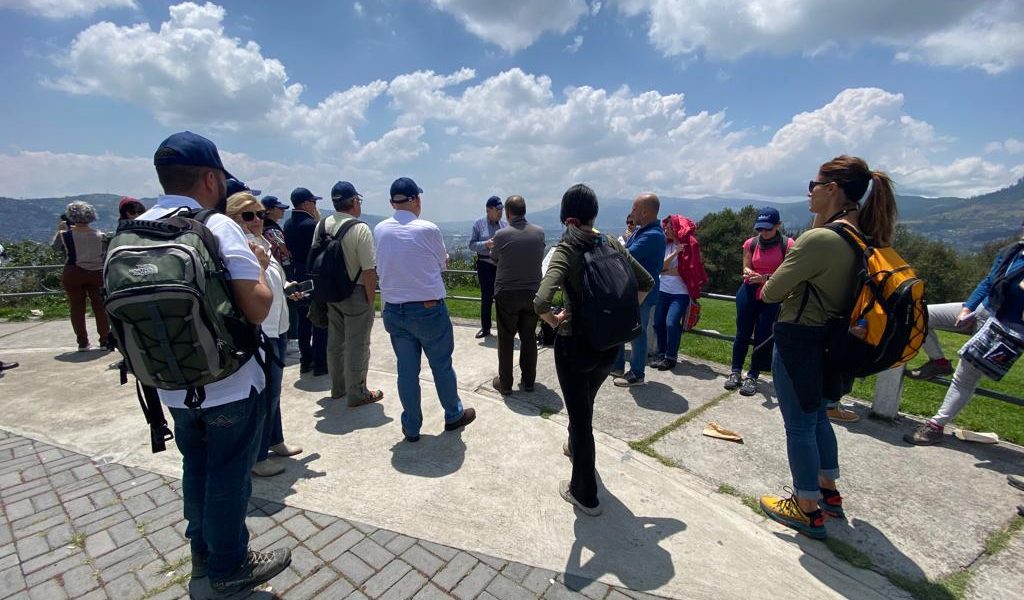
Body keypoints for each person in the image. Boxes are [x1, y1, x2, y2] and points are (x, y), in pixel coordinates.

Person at [142, 131, 290, 593]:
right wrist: (261, 264)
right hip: (228, 381)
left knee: (197, 467)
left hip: (168, 381)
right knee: (228, 473)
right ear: (210, 178)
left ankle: (202, 556)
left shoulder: (135, 227)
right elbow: (258, 308)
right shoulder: (217, 226)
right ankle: (230, 566)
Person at [758, 155, 898, 539]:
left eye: (813, 185)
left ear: (832, 189)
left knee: (799, 425)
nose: (809, 192)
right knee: (819, 415)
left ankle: (805, 508)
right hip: (835, 343)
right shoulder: (863, 236)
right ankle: (828, 492)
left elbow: (771, 292)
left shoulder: (819, 239)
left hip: (800, 339)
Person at [536, 184, 654, 516]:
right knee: (584, 402)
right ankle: (575, 445)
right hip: (609, 346)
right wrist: (621, 316)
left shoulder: (566, 250)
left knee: (580, 414)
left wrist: (555, 321)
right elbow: (647, 282)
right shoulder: (613, 242)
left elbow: (541, 301)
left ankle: (584, 493)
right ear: (594, 215)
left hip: (575, 346)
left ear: (566, 217)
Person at [375, 177, 477, 442]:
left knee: (406, 370)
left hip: (394, 310)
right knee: (441, 365)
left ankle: (411, 426)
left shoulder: (380, 229)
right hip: (428, 310)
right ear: (416, 200)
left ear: (391, 202)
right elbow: (441, 265)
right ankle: (453, 414)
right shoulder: (428, 229)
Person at [904, 220, 1023, 446]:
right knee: (921, 316)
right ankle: (938, 361)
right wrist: (968, 307)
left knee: (964, 378)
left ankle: (936, 426)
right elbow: (988, 283)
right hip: (980, 311)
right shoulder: (1012, 252)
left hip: (1004, 327)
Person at [225, 193, 303, 478]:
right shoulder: (239, 249)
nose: (258, 219)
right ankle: (257, 456)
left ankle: (275, 439)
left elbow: (271, 282)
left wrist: (288, 287)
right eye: (248, 215)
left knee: (274, 390)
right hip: (262, 330)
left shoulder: (262, 244)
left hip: (277, 325)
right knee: (263, 393)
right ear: (233, 219)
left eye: (259, 214)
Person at [314, 181, 384, 407]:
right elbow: (369, 270)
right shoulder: (359, 228)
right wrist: (371, 299)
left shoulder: (322, 225)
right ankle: (357, 392)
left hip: (330, 292)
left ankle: (338, 388)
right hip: (356, 292)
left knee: (335, 342)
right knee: (358, 344)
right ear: (354, 202)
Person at [723, 207, 795, 394]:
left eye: (768, 229)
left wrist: (766, 278)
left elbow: (788, 273)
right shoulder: (751, 243)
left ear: (778, 225)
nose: (763, 233)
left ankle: (753, 376)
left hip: (772, 293)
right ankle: (735, 371)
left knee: (763, 335)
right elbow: (746, 266)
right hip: (749, 290)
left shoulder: (788, 245)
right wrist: (749, 272)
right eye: (760, 229)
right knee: (742, 332)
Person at [489, 195, 546, 395]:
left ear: (507, 212)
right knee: (528, 337)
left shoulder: (502, 235)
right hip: (532, 292)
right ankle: (529, 381)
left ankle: (505, 384)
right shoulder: (539, 232)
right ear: (524, 210)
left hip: (507, 293)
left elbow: (494, 257)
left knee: (505, 339)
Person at [612, 193, 665, 387]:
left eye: (635, 208)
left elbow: (627, 255)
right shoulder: (642, 231)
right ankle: (617, 366)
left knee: (637, 332)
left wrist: (611, 245)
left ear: (645, 211)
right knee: (621, 328)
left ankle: (637, 374)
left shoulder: (653, 235)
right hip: (632, 289)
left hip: (643, 292)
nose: (632, 212)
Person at [52, 201, 111, 351]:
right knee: (100, 307)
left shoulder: (65, 235)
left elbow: (56, 248)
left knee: (77, 307)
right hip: (97, 272)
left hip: (74, 272)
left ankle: (82, 342)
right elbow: (104, 254)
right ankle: (105, 340)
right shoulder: (101, 235)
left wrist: (59, 230)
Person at [284, 186, 327, 375]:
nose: (315, 206)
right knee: (318, 318)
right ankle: (320, 362)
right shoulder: (312, 226)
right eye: (313, 202)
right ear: (306, 203)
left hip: (296, 273)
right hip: (313, 276)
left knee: (303, 320)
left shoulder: (287, 224)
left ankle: (305, 359)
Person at [651, 215, 701, 372]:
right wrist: (674, 255)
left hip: (680, 293)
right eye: (665, 227)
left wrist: (669, 270)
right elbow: (660, 267)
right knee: (658, 322)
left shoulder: (690, 245)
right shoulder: (667, 245)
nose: (666, 229)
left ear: (677, 228)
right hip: (663, 290)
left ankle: (670, 357)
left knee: (671, 323)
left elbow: (688, 270)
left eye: (669, 227)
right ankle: (661, 354)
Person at [468, 196, 506, 338]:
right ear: (488, 210)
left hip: (501, 266)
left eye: (502, 209)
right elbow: (471, 245)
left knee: (502, 298)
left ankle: (504, 328)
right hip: (484, 264)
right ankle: (486, 328)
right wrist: (485, 244)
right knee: (486, 298)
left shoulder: (505, 225)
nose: (500, 212)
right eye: (497, 210)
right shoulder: (478, 224)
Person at [260, 195, 292, 268]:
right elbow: (283, 248)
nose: (283, 210)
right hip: (279, 266)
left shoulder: (262, 226)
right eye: (280, 208)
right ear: (270, 210)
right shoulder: (273, 230)